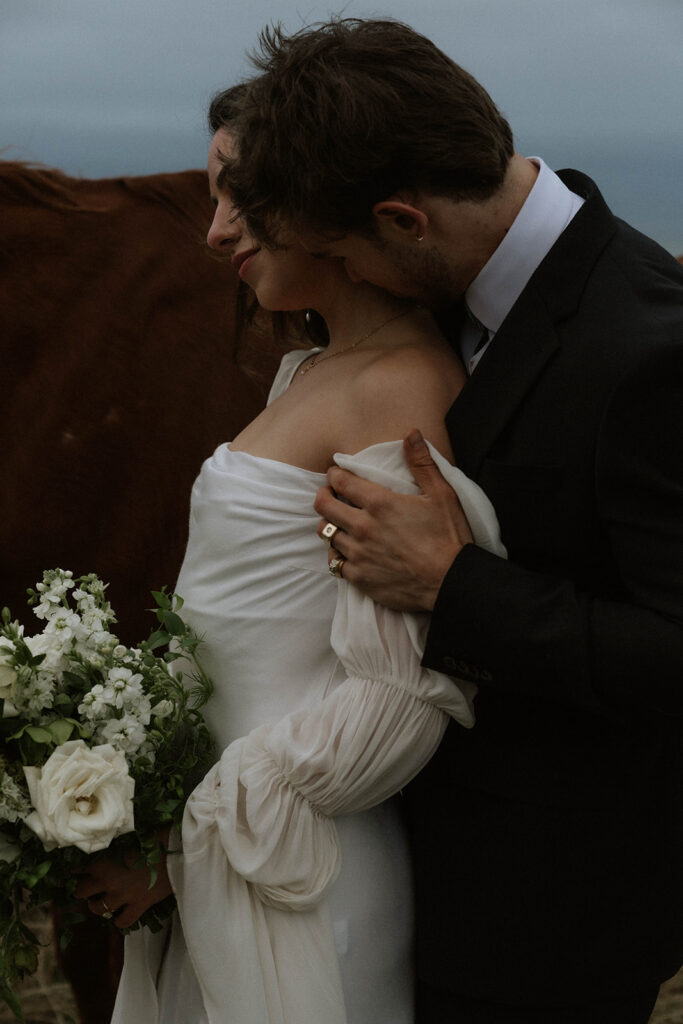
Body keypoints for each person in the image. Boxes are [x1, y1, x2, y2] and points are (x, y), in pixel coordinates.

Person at [222, 18, 683, 1024]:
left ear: (402, 220)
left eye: (341, 251)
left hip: (538, 924)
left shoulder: (649, 349)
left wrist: (455, 587)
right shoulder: (443, 306)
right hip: (377, 870)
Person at [72, 88, 507, 1024]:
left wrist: (187, 848)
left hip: (298, 874)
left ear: (314, 198)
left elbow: (395, 693)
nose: (213, 230)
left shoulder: (398, 386)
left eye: (239, 198)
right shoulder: (314, 367)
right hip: (247, 852)